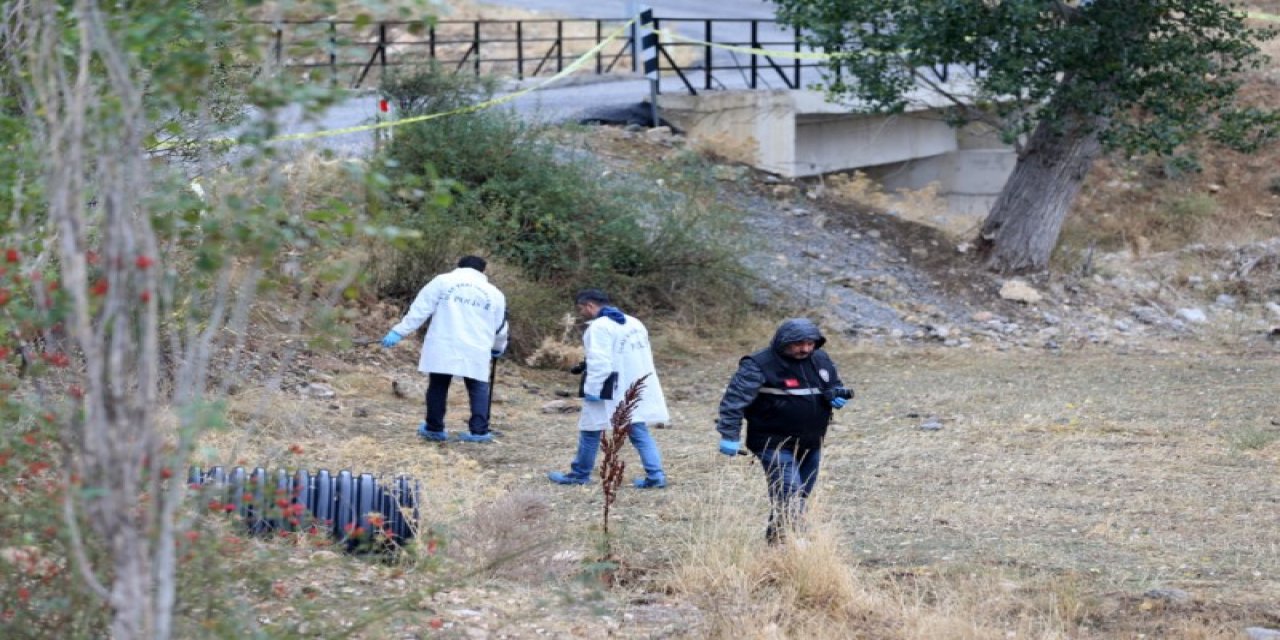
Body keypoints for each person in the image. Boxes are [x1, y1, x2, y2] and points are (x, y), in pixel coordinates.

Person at [715, 318, 851, 544]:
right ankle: (798, 544)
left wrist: (834, 394)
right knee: (790, 492)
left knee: (801, 493)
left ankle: (776, 542)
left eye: (810, 343)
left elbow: (831, 384)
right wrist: (729, 435)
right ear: (783, 342)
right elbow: (734, 401)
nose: (805, 349)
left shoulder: (819, 358)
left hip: (811, 441)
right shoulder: (758, 364)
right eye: (799, 344)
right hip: (772, 442)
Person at [548, 289, 669, 488]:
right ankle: (656, 476)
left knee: (590, 430)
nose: (581, 313)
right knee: (637, 429)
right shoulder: (634, 322)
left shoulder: (599, 327)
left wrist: (593, 390)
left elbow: (599, 362)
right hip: (635, 383)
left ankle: (579, 474)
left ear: (590, 306)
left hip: (607, 386)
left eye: (581, 309)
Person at [381, 256, 508, 443]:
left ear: (459, 266)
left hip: (445, 342)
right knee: (478, 387)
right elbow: (500, 326)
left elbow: (420, 310)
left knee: (438, 385)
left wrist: (398, 332)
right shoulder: (494, 293)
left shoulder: (443, 281)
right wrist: (498, 347)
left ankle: (434, 429)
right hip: (477, 346)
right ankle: (479, 432)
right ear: (483, 271)